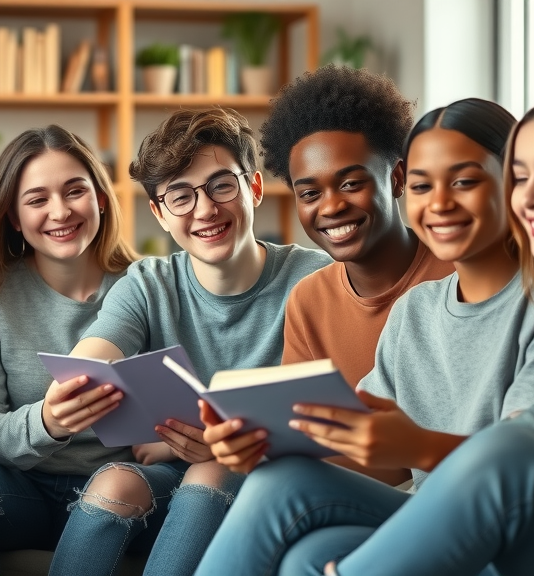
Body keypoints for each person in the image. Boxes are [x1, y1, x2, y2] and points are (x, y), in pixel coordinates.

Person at [194, 98, 534, 576]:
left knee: (286, 496)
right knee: (303, 543)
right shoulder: (416, 312)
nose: (440, 203)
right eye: (426, 186)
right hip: (432, 511)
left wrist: (415, 445)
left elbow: (533, 473)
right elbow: (372, 452)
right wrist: (260, 444)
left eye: (464, 181)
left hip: (517, 530)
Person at [313, 83, 534, 576]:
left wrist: (416, 444)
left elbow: (531, 456)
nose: (529, 196)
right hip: (523, 523)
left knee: (509, 449)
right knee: (293, 515)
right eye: (521, 177)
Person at [45, 107, 333, 576]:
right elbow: (95, 352)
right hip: (170, 474)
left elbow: (330, 412)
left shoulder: (315, 277)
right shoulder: (148, 281)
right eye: (179, 196)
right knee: (114, 483)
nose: (204, 209)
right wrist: (77, 381)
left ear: (254, 188)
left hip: (270, 477)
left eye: (221, 185)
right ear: (159, 213)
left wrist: (220, 446)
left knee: (209, 470)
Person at [203, 67, 453, 480]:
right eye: (310, 194)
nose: (331, 207)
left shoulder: (455, 275)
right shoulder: (309, 300)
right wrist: (255, 447)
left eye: (351, 183)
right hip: (344, 501)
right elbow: (305, 442)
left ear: (397, 178)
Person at [0, 125, 139, 575]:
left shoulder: (148, 285)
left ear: (101, 198)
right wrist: (46, 423)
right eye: (37, 199)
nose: (60, 211)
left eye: (75, 191)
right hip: (21, 491)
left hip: (121, 492)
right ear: (13, 217)